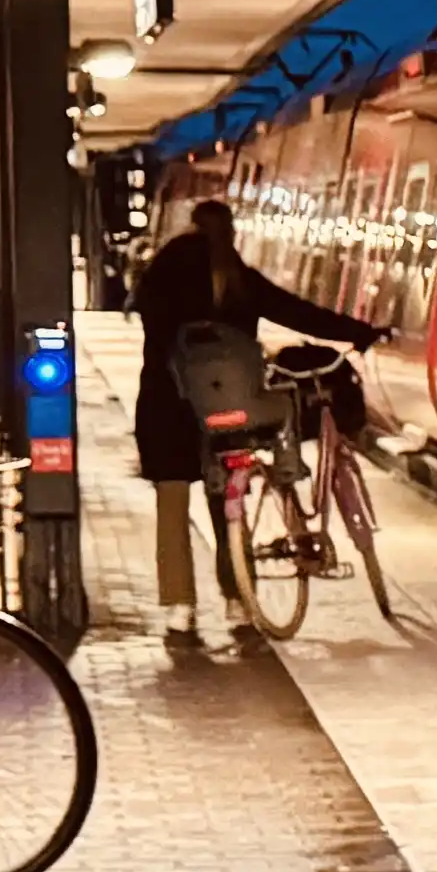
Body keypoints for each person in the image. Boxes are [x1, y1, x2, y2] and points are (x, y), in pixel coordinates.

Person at [132, 191, 381, 644]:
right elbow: (296, 311)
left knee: (171, 505)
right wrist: (358, 332)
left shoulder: (163, 271)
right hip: (227, 408)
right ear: (230, 233)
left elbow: (139, 309)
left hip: (166, 406)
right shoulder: (235, 276)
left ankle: (180, 611)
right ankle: (237, 602)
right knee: (228, 500)